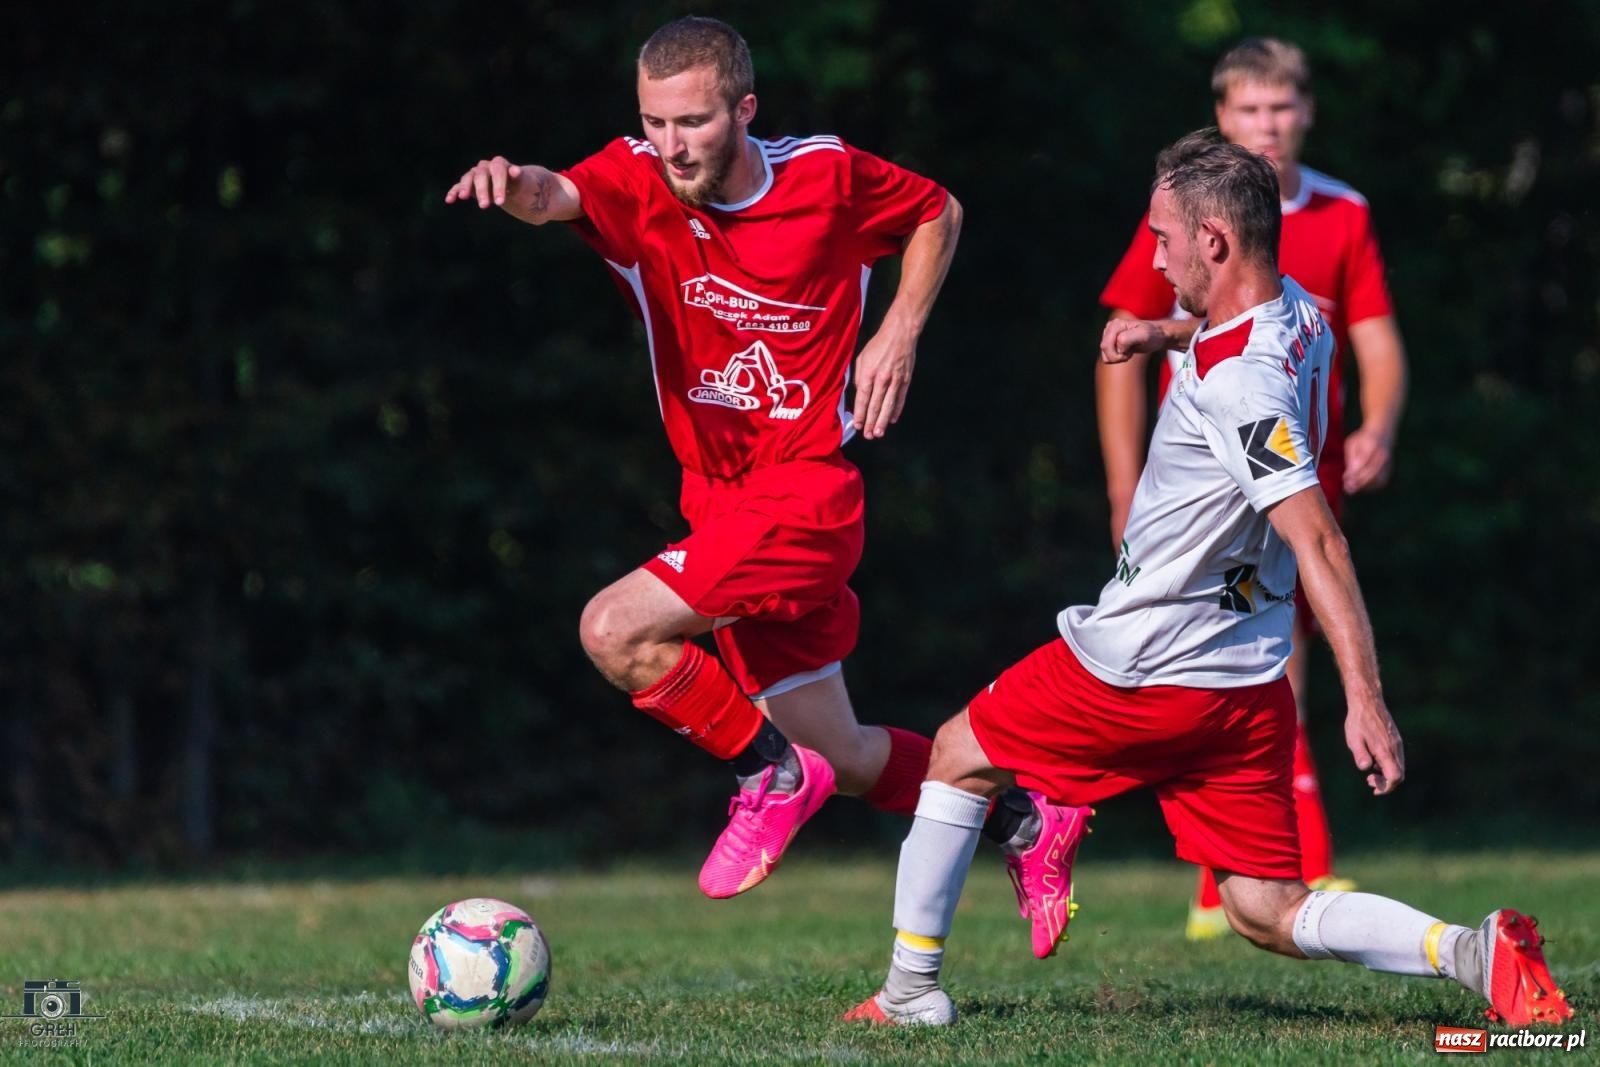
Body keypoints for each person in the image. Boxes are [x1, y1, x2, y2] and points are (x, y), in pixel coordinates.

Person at [845, 130, 1571, 1030]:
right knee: (1264, 907)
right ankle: (1474, 952)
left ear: (1215, 241)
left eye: (1163, 239)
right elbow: (1237, 335)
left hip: (1146, 665)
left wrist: (1366, 697)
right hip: (1246, 682)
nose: (1154, 259)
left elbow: (1321, 540)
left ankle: (909, 992)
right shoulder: (1300, 313)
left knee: (958, 754)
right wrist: (1164, 332)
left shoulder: (1241, 387)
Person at [443, 16, 970, 899]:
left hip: (806, 494)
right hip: (717, 501)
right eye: (655, 122)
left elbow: (937, 211)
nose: (671, 145)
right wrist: (511, 182)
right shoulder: (636, 181)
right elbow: (551, 193)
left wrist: (900, 331)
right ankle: (1028, 816)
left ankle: (770, 773)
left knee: (613, 630)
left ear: (744, 110)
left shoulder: (826, 177)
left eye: (693, 121)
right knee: (845, 755)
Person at [1097, 37, 1410, 939]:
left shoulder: (1340, 214)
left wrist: (1377, 426)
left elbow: (1376, 340)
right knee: (1220, 663)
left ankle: (1256, 871)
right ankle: (1246, 869)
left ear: (1306, 112)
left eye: (1280, 107)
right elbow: (1129, 334)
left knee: (1268, 666)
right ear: (1222, 118)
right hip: (1205, 490)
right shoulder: (1189, 213)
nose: (1266, 124)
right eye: (1248, 110)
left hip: (1294, 475)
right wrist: (1123, 484)